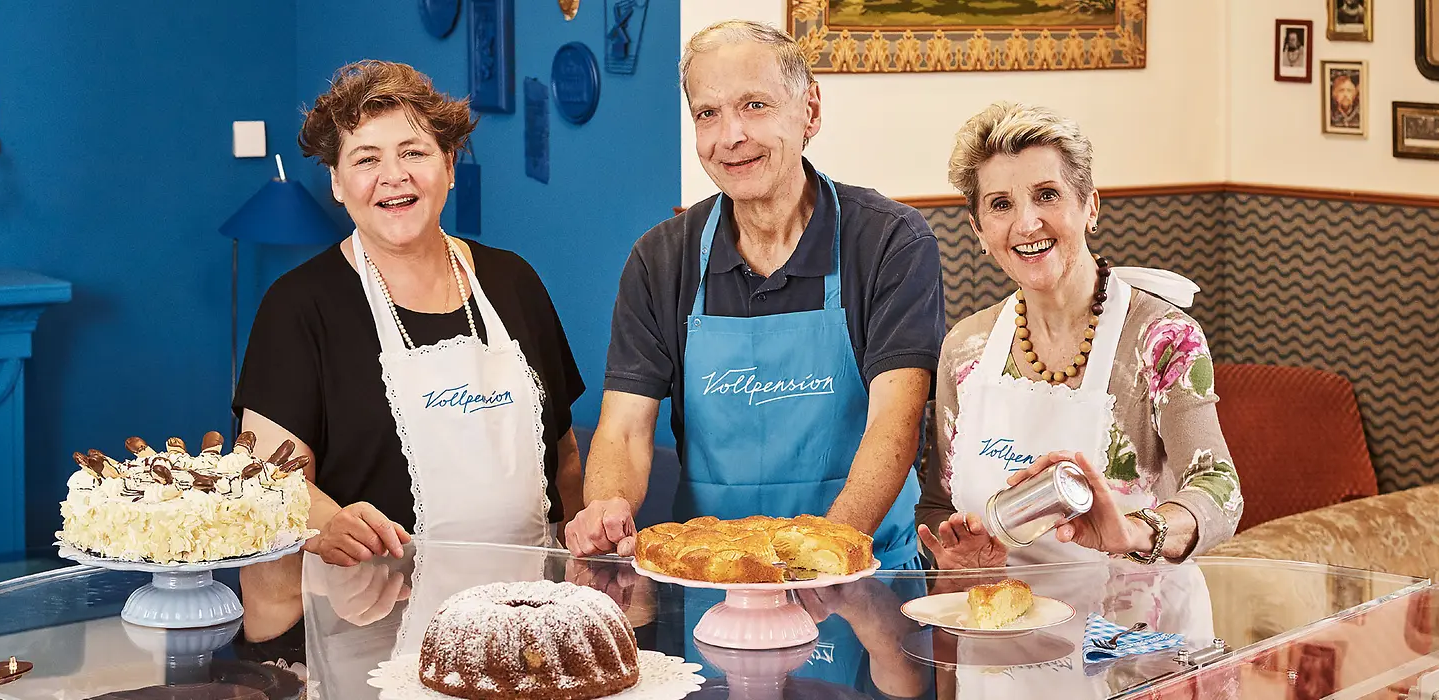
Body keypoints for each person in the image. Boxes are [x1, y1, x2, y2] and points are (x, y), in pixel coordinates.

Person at [230, 59, 587, 659]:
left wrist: (589, 582)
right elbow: (268, 480)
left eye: (414, 153)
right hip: (367, 630)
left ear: (448, 166)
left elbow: (564, 455)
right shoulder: (300, 307)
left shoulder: (514, 281)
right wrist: (328, 522)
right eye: (366, 159)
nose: (392, 177)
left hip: (527, 626)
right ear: (338, 184)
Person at [566, 19, 946, 571]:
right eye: (707, 113)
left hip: (863, 578)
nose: (730, 136)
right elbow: (624, 428)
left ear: (809, 110)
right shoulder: (660, 259)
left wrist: (822, 558)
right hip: (711, 579)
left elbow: (895, 423)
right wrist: (606, 507)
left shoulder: (890, 242)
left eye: (755, 106)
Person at [915, 101, 1244, 570]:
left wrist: (1135, 530)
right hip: (1002, 632)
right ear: (979, 230)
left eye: (1047, 195)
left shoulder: (1163, 339)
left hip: (1137, 634)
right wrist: (959, 551)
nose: (1027, 223)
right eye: (1001, 205)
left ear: (1090, 204)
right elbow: (938, 502)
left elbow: (1219, 487)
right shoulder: (965, 350)